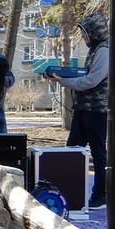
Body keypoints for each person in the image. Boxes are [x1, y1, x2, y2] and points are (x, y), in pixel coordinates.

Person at [45, 12, 109, 210]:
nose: (82, 36)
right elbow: (85, 76)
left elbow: (91, 80)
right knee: (72, 151)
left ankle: (100, 195)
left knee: (98, 153)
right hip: (84, 108)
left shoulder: (104, 51)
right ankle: (70, 193)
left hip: (96, 110)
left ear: (93, 31)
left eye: (84, 32)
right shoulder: (96, 49)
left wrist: (63, 81)